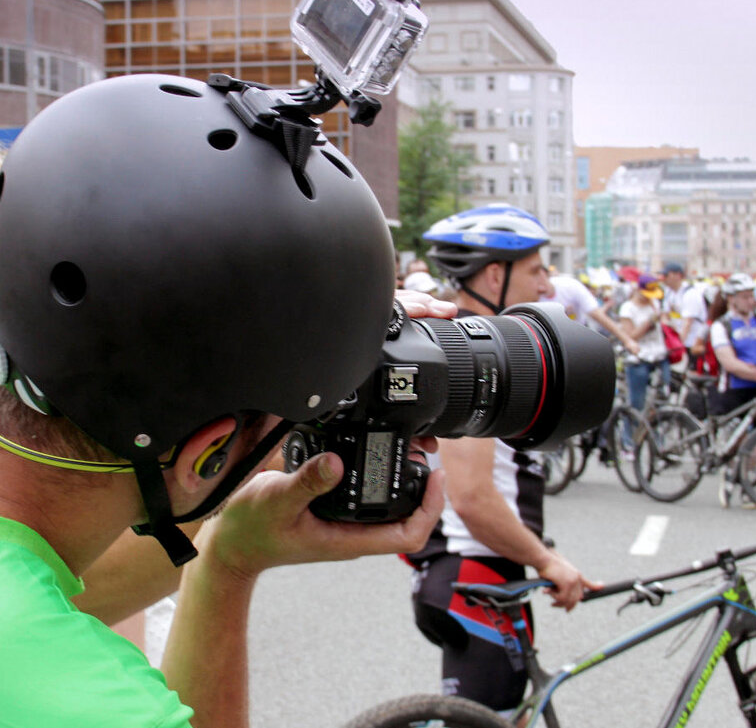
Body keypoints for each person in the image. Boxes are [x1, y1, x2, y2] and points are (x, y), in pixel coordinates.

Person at [0, 74, 447, 727]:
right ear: (209, 454)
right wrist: (229, 568)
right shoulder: (97, 707)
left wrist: (228, 555)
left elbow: (48, 599)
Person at [411, 205, 598, 714]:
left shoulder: (491, 349)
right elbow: (471, 497)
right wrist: (547, 559)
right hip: (475, 574)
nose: (547, 287)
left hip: (485, 573)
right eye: (538, 270)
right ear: (496, 274)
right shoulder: (473, 356)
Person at [709, 274, 756, 417]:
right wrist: (754, 373)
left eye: (752, 296)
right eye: (745, 297)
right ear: (731, 298)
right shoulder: (722, 325)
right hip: (735, 388)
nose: (751, 301)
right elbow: (729, 362)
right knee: (739, 437)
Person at [543, 273, 640, 356]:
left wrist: (627, 340)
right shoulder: (531, 294)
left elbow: (598, 315)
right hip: (549, 338)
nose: (540, 288)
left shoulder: (570, 286)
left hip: (577, 334)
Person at [618, 274, 673, 411]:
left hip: (659, 356)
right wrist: (648, 323)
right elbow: (630, 336)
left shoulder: (655, 304)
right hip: (639, 358)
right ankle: (631, 431)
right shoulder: (628, 308)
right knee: (637, 403)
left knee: (663, 399)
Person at [661, 262, 709, 364]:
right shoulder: (669, 292)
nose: (663, 278)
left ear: (677, 275)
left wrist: (678, 345)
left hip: (692, 341)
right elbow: (665, 316)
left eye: (666, 275)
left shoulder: (690, 293)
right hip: (678, 339)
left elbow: (688, 323)